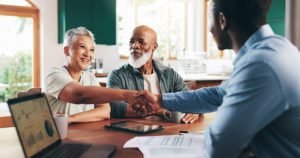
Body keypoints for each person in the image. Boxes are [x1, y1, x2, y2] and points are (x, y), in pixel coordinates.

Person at [134, 0, 300, 157]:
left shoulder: (261, 64)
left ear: (222, 20)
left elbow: (218, 149)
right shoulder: (277, 49)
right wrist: (159, 99)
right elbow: (218, 95)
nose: (209, 29)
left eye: (209, 20)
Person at [45, 27, 142, 124]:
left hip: (84, 135)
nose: (88, 54)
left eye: (91, 49)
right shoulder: (54, 74)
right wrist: (128, 95)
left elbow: (105, 111)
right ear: (66, 51)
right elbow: (79, 95)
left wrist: (71, 118)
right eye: (82, 47)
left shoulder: (90, 77)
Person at [107, 25, 200, 123]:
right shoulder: (117, 75)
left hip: (168, 130)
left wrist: (195, 110)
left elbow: (190, 99)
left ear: (154, 47)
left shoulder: (170, 74)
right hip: (135, 132)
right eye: (131, 42)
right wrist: (158, 110)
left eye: (141, 42)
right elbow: (114, 107)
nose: (134, 46)